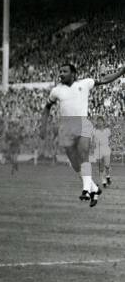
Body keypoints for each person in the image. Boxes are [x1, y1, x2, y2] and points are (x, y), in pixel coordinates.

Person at [41, 64, 125, 207]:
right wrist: (43, 126)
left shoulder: (85, 83)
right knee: (75, 164)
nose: (61, 73)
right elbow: (47, 107)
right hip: (66, 127)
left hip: (82, 123)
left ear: (73, 73)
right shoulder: (56, 91)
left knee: (84, 156)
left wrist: (122, 71)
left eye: (64, 71)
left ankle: (86, 190)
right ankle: (95, 189)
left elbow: (105, 80)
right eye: (60, 71)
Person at [91, 116, 112, 188]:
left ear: (103, 122)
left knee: (107, 165)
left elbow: (110, 137)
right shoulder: (94, 131)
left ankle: (108, 176)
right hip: (98, 149)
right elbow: (92, 140)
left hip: (106, 148)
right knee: (100, 166)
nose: (99, 122)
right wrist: (93, 143)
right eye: (98, 121)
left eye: (101, 121)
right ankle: (104, 181)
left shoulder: (107, 130)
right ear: (97, 122)